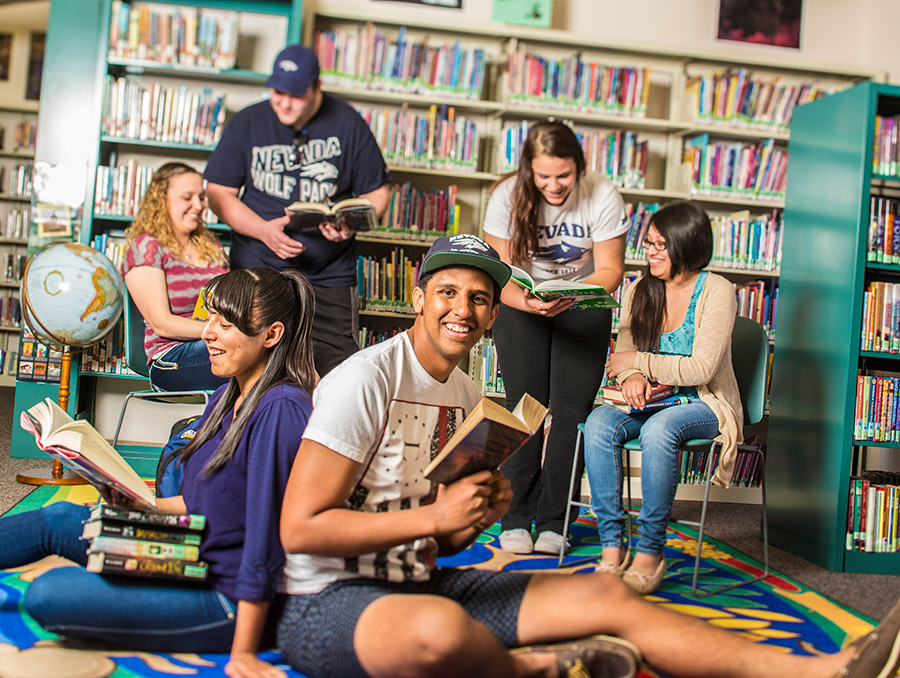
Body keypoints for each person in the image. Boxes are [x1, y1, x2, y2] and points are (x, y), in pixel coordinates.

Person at [275, 233, 899, 678]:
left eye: (479, 299)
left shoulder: (466, 391)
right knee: (439, 638)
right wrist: (434, 520)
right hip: (327, 602)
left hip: (419, 581)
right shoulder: (365, 379)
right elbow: (300, 528)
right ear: (419, 296)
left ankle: (823, 669)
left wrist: (469, 517)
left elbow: (431, 540)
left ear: (495, 312)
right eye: (447, 292)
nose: (461, 310)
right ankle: (532, 669)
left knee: (607, 597)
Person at [1, 268, 317, 678]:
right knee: (61, 518)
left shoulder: (282, 408)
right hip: (188, 551)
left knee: (48, 593)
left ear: (271, 335)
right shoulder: (227, 394)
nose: (207, 332)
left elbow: (265, 538)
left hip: (227, 596)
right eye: (210, 318)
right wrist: (140, 503)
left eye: (226, 324)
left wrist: (244, 652)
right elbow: (208, 500)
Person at [482, 119, 628, 555]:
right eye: (543, 177)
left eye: (563, 176)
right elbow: (500, 273)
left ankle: (555, 521)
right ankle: (517, 517)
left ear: (578, 167)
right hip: (522, 303)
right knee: (525, 408)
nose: (553, 186)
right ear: (528, 169)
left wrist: (575, 294)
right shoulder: (506, 196)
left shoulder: (602, 195)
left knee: (570, 415)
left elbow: (610, 270)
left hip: (581, 305)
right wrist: (528, 303)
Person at [583, 201, 741, 595]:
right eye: (648, 242)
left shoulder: (717, 291)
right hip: (650, 400)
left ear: (687, 245)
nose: (649, 252)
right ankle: (612, 545)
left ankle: (651, 550)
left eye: (660, 245)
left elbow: (701, 369)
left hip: (702, 402)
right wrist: (634, 374)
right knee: (600, 424)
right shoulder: (641, 289)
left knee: (658, 431)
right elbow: (624, 352)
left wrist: (638, 363)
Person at [204, 43, 391, 376]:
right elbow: (219, 193)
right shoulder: (248, 122)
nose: (284, 102)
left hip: (329, 273)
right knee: (250, 366)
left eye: (295, 95)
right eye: (277, 92)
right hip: (257, 266)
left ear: (317, 87)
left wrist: (352, 222)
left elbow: (378, 192)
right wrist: (263, 230)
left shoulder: (348, 123)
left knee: (339, 372)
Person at [122, 161, 230, 391]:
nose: (198, 205)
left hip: (217, 343)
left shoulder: (212, 247)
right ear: (161, 200)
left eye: (201, 197)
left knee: (265, 345)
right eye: (187, 197)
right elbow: (162, 324)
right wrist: (226, 331)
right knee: (247, 353)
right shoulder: (147, 248)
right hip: (170, 358)